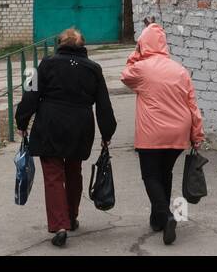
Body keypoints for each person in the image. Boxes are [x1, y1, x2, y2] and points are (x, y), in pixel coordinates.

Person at [15, 27, 117, 248]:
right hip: (80, 126)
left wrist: (21, 122)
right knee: (73, 172)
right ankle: (70, 217)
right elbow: (104, 103)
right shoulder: (94, 69)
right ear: (83, 46)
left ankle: (60, 225)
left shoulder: (44, 65)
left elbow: (30, 95)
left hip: (50, 124)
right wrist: (107, 133)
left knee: (53, 176)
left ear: (59, 44)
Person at [121, 22, 205, 245]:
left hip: (152, 133)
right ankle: (158, 219)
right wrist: (197, 135)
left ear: (143, 45)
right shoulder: (180, 70)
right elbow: (193, 106)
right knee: (164, 173)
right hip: (179, 133)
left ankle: (167, 215)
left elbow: (125, 74)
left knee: (149, 176)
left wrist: (136, 53)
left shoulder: (142, 68)